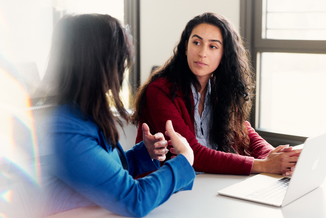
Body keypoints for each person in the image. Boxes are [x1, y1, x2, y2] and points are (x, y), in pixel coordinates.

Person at [31, 14, 195, 218]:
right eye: (119, 62)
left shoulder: (82, 113)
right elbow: (135, 199)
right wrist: (184, 160)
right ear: (96, 64)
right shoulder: (64, 128)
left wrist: (144, 153)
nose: (121, 72)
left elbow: (101, 174)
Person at [132, 12, 301, 176]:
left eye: (213, 46)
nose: (202, 53)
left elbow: (244, 132)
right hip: (165, 190)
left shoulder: (219, 89)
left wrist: (278, 156)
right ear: (185, 46)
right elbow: (192, 154)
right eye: (196, 42)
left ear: (224, 55)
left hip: (209, 184)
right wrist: (264, 165)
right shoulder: (160, 91)